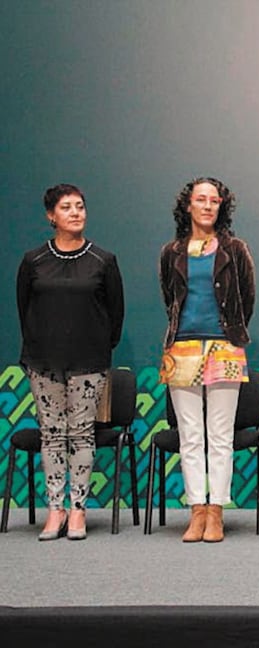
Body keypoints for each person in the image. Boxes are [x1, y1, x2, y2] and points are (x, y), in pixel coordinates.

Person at [16, 184, 125, 541]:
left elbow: (115, 313)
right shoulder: (33, 261)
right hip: (44, 362)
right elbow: (24, 309)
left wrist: (99, 349)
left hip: (89, 362)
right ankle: (55, 510)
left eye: (80, 206)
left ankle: (78, 510)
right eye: (67, 207)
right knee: (51, 434)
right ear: (51, 216)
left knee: (80, 434)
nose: (76, 212)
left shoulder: (103, 260)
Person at [158, 177, 255, 543]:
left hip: (225, 347)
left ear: (221, 207)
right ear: (188, 206)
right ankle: (196, 509)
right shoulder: (171, 251)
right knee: (190, 435)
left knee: (220, 434)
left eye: (214, 200)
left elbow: (247, 297)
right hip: (180, 349)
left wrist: (229, 330)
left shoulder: (235, 249)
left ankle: (217, 511)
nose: (208, 206)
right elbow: (169, 297)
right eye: (201, 199)